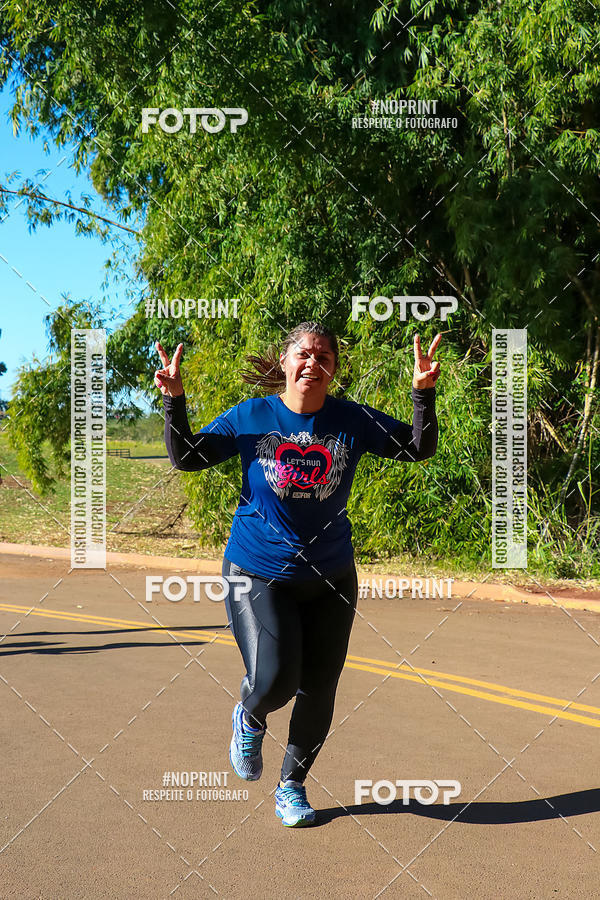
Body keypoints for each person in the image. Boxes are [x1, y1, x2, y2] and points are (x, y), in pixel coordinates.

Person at [154, 321, 440, 827]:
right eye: (303, 353)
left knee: (320, 687)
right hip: (257, 570)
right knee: (274, 679)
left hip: (331, 577)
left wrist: (423, 394)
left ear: (334, 368)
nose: (313, 361)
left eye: (324, 355)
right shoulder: (252, 417)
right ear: (284, 363)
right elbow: (188, 458)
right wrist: (175, 401)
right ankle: (250, 714)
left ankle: (291, 786)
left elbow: (416, 447)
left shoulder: (350, 420)